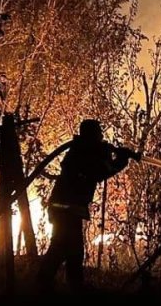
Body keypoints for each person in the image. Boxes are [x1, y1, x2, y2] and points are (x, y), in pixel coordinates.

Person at [37, 119, 139, 291]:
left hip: (65, 209)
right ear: (91, 135)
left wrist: (114, 156)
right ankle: (52, 285)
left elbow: (100, 168)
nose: (101, 137)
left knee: (69, 249)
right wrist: (121, 160)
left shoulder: (83, 150)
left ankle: (65, 285)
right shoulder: (84, 153)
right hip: (66, 209)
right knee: (68, 248)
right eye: (99, 133)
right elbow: (102, 171)